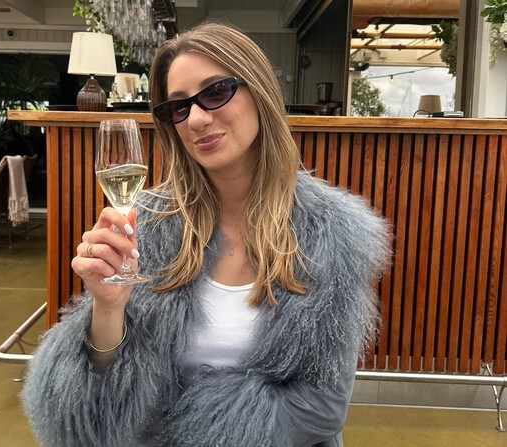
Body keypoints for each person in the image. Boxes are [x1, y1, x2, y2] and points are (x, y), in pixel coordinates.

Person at [21, 22, 390, 447]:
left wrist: (179, 431)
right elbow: (96, 408)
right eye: (178, 107)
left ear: (260, 92)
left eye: (215, 92)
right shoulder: (147, 223)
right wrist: (107, 307)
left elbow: (320, 408)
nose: (196, 118)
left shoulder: (333, 232)